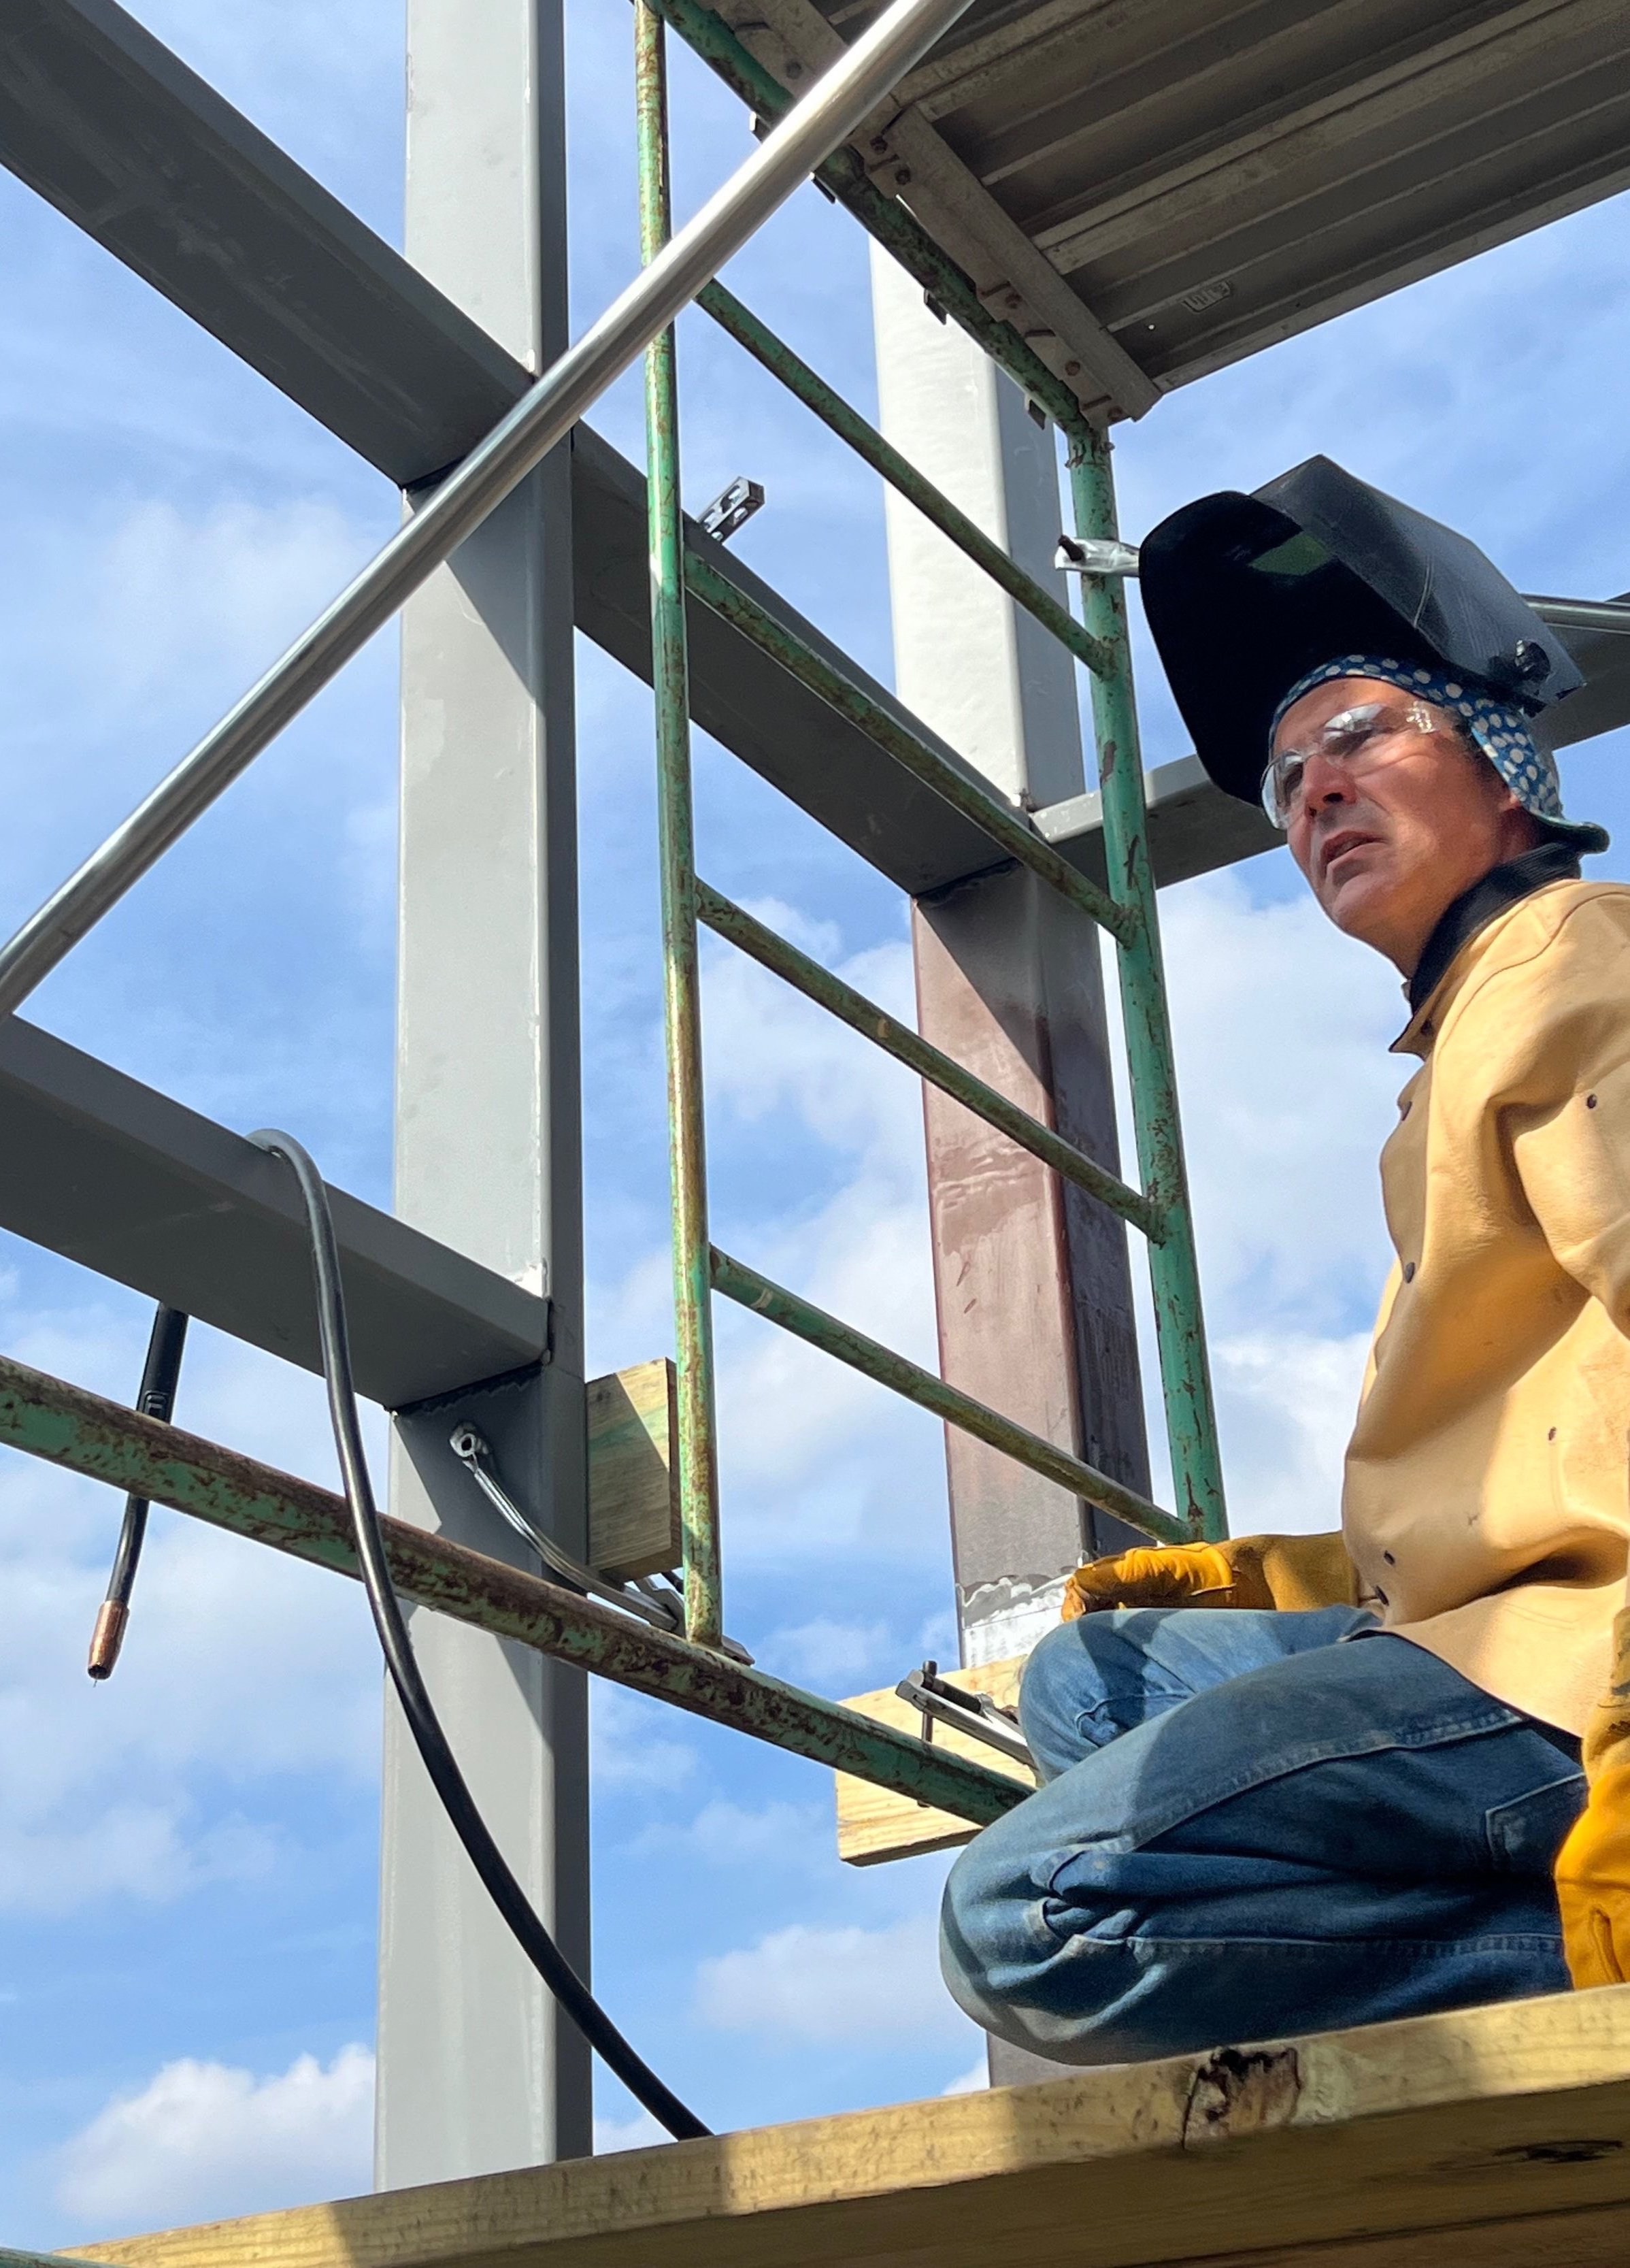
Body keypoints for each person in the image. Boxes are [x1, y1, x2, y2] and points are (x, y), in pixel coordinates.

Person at [939, 458, 1630, 2066]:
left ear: (1506, 762)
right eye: (1281, 774)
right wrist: (1315, 1580)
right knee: (1096, 1679)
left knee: (1033, 1915)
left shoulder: (1578, 965)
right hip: (1477, 1616)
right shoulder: (1463, 1036)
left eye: (1362, 734)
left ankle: (1578, 1949)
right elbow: (1541, 1419)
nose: (1311, 786)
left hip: (1581, 1647)